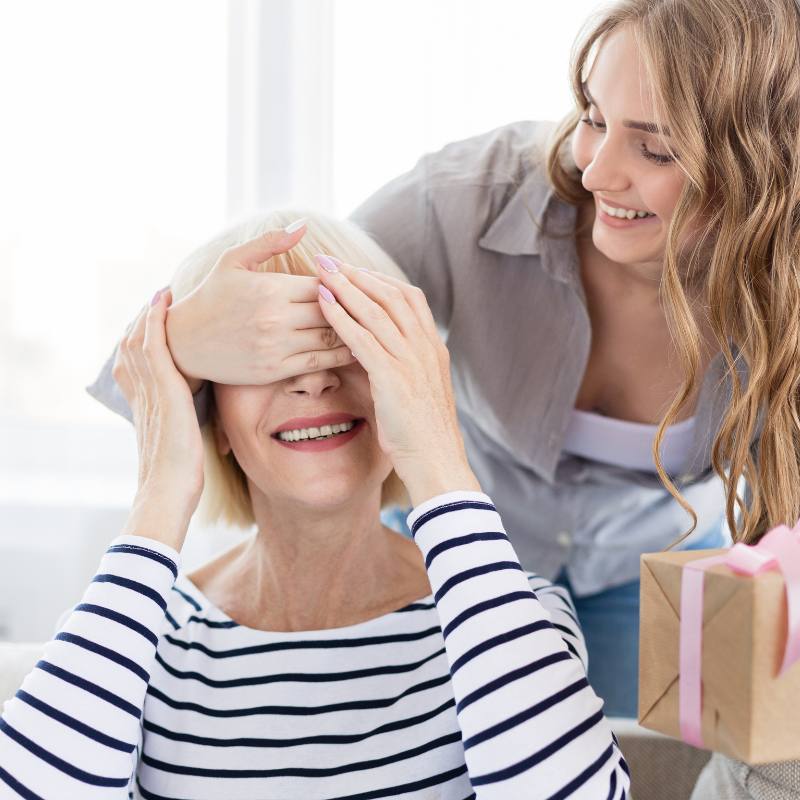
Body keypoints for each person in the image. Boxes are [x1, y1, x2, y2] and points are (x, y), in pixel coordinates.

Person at [89, 0, 800, 719]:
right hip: (450, 545)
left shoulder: (787, 285)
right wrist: (177, 340)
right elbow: (222, 353)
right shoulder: (468, 200)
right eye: (592, 117)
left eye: (655, 149)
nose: (594, 173)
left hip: (651, 569)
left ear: (761, 166)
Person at [0, 211, 630, 799]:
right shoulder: (146, 634)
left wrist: (436, 453)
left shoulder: (512, 612)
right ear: (211, 419)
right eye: (264, 355)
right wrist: (160, 489)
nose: (313, 378)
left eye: (343, 341)